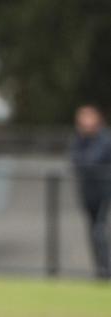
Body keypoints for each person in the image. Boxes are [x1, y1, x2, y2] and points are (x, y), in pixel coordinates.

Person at [70, 105, 111, 280]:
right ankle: (100, 269)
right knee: (93, 230)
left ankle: (106, 269)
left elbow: (91, 160)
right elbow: (75, 160)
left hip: (104, 192)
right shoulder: (79, 140)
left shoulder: (105, 140)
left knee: (99, 230)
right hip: (88, 193)